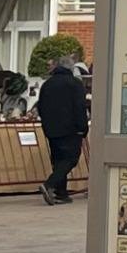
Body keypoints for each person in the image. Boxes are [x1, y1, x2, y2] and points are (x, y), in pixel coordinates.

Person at [36, 51, 89, 204]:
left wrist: (46, 124)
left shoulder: (48, 84)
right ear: (71, 68)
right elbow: (80, 107)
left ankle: (61, 192)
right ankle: (49, 184)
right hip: (71, 129)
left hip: (52, 129)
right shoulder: (75, 84)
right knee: (70, 159)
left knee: (59, 160)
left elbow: (41, 107)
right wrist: (83, 127)